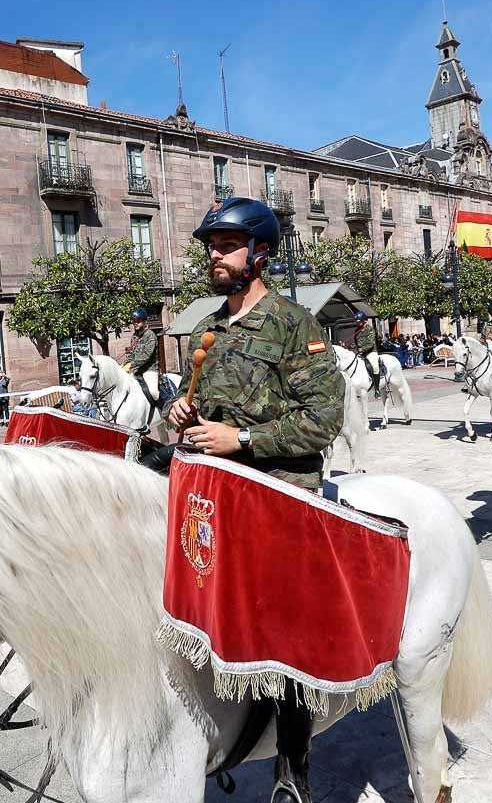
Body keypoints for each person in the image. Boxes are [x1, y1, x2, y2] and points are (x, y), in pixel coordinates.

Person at [163, 196, 344, 803]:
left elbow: (322, 423)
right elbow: (196, 414)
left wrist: (239, 438)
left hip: (280, 493)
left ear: (259, 252)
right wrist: (183, 413)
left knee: (282, 629)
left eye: (225, 244)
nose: (213, 254)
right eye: (210, 245)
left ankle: (292, 772)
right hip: (214, 494)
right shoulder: (211, 327)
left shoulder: (296, 325)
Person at [122, 306, 162, 406]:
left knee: (154, 393)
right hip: (136, 370)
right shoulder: (134, 337)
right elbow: (131, 353)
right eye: (134, 321)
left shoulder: (150, 335)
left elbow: (146, 355)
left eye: (138, 321)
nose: (135, 323)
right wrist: (125, 364)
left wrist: (132, 364)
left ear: (144, 322)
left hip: (150, 370)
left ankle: (165, 412)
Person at [347, 311, 381, 391]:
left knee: (375, 367)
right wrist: (348, 346)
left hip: (371, 352)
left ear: (363, 320)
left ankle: (377, 388)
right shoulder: (357, 331)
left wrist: (360, 350)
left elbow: (371, 344)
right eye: (356, 321)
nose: (357, 323)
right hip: (361, 353)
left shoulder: (370, 329)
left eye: (358, 321)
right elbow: (355, 343)